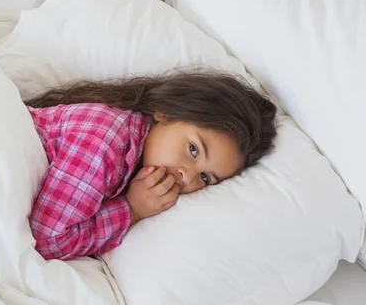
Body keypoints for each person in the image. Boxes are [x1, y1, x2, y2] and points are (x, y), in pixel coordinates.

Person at [26, 68, 277, 261]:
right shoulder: (106, 140)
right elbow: (47, 239)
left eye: (205, 178)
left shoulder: (131, 151)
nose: (186, 176)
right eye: (193, 149)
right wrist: (132, 210)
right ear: (165, 113)